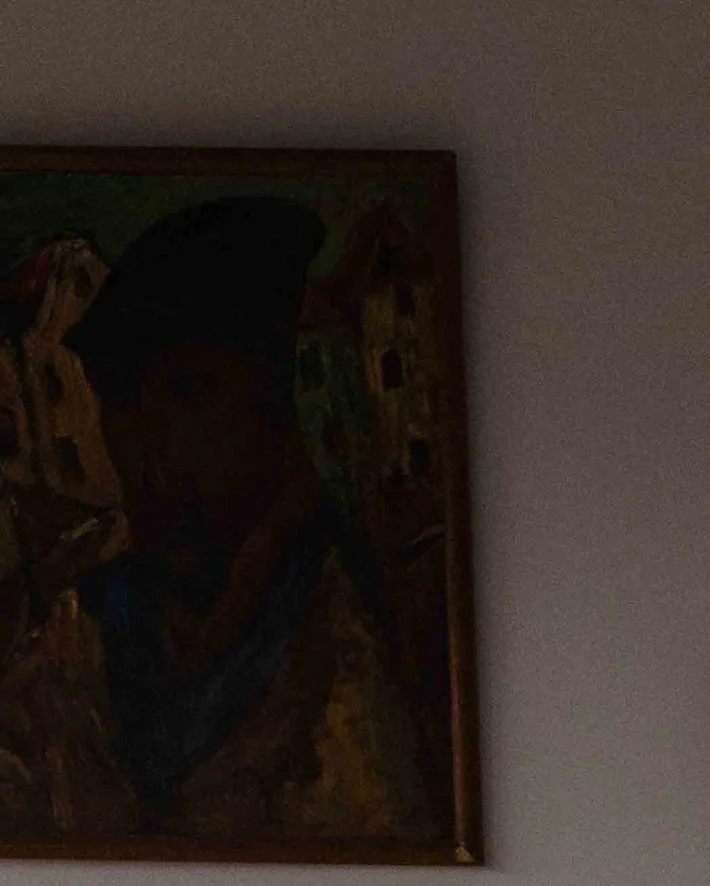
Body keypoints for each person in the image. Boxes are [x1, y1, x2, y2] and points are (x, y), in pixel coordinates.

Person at [0, 193, 442, 846]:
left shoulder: (344, 649)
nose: (150, 449)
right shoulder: (77, 637)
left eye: (191, 393)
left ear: (272, 404)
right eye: (121, 401)